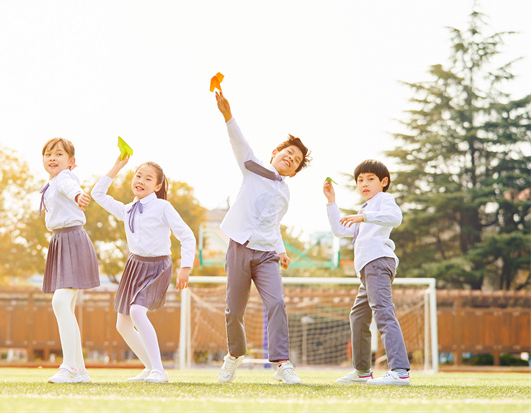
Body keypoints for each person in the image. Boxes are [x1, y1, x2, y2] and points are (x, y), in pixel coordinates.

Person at [214, 90, 310, 385]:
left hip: (267, 254)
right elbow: (239, 144)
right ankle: (234, 356)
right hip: (240, 248)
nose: (290, 159)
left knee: (277, 303)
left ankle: (282, 364)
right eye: (287, 154)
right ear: (274, 154)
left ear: (293, 172)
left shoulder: (285, 192)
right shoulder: (254, 168)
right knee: (234, 310)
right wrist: (228, 115)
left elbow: (274, 225)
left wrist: (281, 251)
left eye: (295, 161)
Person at [91, 156, 195, 383]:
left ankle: (159, 370)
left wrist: (185, 267)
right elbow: (97, 195)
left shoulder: (163, 207)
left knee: (137, 312)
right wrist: (117, 165)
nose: (141, 181)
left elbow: (186, 236)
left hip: (158, 266)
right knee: (122, 323)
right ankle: (150, 368)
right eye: (138, 176)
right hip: (133, 266)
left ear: (157, 186)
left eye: (148, 179)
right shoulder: (127, 209)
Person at [322, 159, 411, 386]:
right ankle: (362, 371)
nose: (364, 183)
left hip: (378, 263)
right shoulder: (365, 209)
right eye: (360, 180)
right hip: (366, 270)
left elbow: (396, 218)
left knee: (383, 311)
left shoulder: (383, 200)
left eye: (370, 179)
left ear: (383, 182)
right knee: (358, 316)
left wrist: (364, 217)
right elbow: (339, 229)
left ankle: (399, 371)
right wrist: (331, 202)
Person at [39, 137, 100, 384]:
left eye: (58, 154)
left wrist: (78, 196)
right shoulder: (52, 182)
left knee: (60, 302)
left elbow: (70, 188)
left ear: (71, 162)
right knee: (66, 306)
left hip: (72, 240)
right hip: (60, 241)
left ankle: (69, 367)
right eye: (48, 154)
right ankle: (80, 371)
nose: (52, 158)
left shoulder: (65, 178)